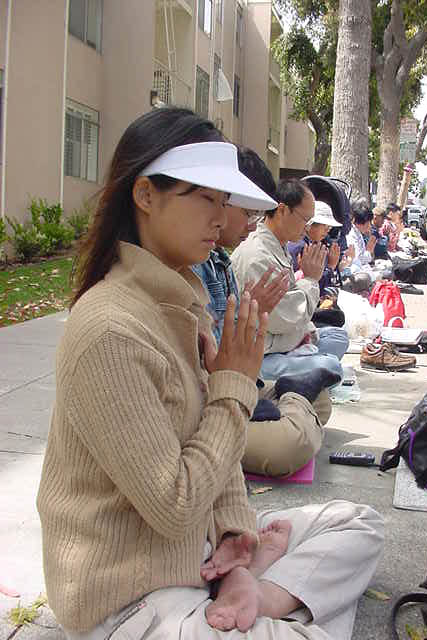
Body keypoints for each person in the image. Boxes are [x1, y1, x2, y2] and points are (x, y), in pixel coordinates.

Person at [37, 107, 384, 640]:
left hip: (200, 558)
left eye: (226, 202)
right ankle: (277, 607)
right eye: (206, 199)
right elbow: (176, 505)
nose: (222, 219)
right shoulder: (110, 330)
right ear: (145, 194)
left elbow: (215, 454)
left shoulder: (182, 301)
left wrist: (237, 542)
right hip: (135, 597)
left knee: (359, 522)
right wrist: (235, 386)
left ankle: (261, 598)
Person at [193, 147, 332, 477]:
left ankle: (293, 403)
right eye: (247, 212)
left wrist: (248, 319)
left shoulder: (218, 260)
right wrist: (310, 282)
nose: (252, 225)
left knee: (323, 398)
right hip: (214, 400)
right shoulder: (247, 255)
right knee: (289, 443)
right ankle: (294, 403)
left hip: (239, 382)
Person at [231, 179, 349, 381]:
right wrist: (311, 279)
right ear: (282, 210)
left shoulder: (278, 245)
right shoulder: (257, 256)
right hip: (262, 355)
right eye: (305, 220)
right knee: (331, 366)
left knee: (338, 337)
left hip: (287, 341)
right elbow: (286, 320)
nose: (307, 228)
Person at [287, 201, 344, 294]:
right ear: (310, 225)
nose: (327, 230)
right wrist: (331, 266)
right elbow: (312, 283)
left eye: (329, 227)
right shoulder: (300, 247)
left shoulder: (313, 244)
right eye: (325, 226)